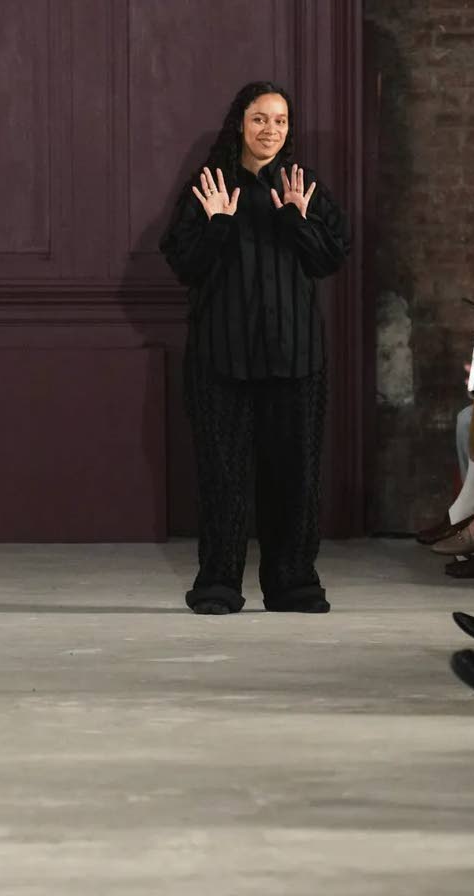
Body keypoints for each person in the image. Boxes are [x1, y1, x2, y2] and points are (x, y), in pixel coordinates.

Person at [160, 81, 351, 615]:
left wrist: (295, 216)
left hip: (295, 358)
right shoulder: (211, 183)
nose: (271, 130)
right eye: (260, 119)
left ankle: (292, 582)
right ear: (239, 124)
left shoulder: (301, 183)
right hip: (222, 358)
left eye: (281, 121)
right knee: (222, 476)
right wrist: (219, 224)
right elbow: (184, 263)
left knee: (293, 474)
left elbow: (331, 257)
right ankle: (218, 582)